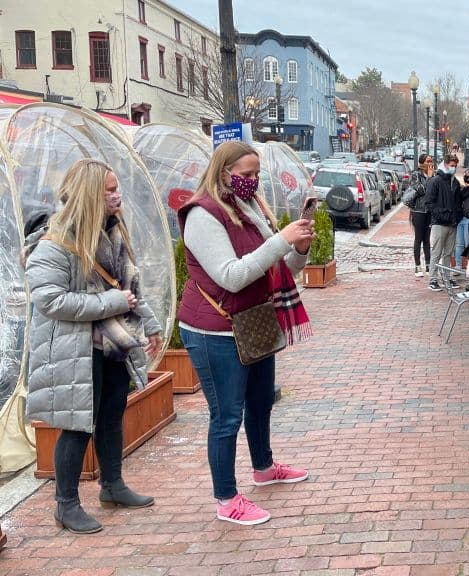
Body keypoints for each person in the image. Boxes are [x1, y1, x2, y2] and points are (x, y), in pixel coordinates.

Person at [177, 141, 313, 526]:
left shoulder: (249, 208)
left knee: (260, 401)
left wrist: (297, 249)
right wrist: (279, 240)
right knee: (226, 416)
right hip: (214, 329)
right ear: (224, 173)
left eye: (257, 175)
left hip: (253, 320)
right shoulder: (203, 215)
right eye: (246, 175)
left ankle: (264, 468)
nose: (252, 182)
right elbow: (232, 276)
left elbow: (280, 268)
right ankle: (226, 498)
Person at [24, 159, 163, 534]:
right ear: (89, 194)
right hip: (73, 349)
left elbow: (128, 287)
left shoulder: (112, 232)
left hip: (111, 344)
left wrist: (149, 324)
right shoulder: (54, 244)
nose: (117, 195)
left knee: (111, 415)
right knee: (76, 426)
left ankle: (112, 486)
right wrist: (113, 304)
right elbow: (50, 301)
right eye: (109, 189)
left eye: (117, 187)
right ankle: (65, 505)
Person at [425, 154, 463, 291]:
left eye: (455, 165)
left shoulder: (455, 182)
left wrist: (457, 216)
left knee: (448, 253)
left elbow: (458, 202)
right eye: (452, 165)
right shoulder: (436, 181)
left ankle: (446, 277)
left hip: (452, 222)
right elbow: (429, 202)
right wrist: (440, 214)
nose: (453, 168)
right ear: (446, 164)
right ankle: (433, 279)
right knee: (436, 252)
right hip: (440, 222)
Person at [408, 154, 434, 278]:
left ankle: (428, 265)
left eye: (431, 161)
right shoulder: (415, 175)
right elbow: (420, 190)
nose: (430, 164)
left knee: (427, 240)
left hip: (429, 211)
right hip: (418, 211)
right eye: (428, 161)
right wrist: (429, 179)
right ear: (422, 163)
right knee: (418, 238)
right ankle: (417, 266)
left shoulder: (433, 175)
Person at [454, 168, 469, 271]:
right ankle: (458, 265)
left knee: (468, 242)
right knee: (459, 243)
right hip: (460, 218)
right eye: (466, 175)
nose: (467, 177)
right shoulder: (463, 189)